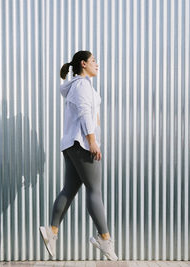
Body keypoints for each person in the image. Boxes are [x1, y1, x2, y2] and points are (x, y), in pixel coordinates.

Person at [39, 50, 118, 261]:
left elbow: (90, 112)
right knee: (94, 191)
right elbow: (84, 112)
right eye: (93, 61)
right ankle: (104, 239)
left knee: (70, 189)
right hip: (82, 144)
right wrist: (92, 141)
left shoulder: (79, 86)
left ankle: (51, 231)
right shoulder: (82, 86)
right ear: (83, 64)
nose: (97, 64)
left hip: (71, 144)